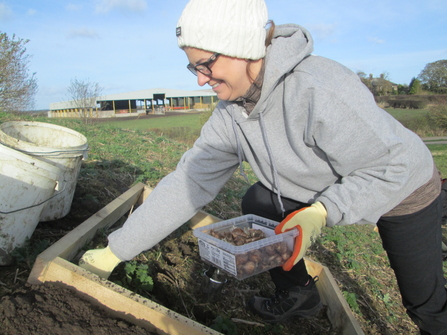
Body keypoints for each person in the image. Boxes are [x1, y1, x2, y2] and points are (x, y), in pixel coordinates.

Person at [79, 0, 447, 333]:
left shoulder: (317, 88)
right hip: (324, 183)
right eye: (193, 66)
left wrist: (323, 211)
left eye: (206, 64)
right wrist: (117, 249)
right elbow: (188, 183)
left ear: (244, 49)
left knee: (423, 303)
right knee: (259, 203)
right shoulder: (231, 113)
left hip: (402, 187)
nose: (200, 79)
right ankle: (301, 293)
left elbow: (392, 164)